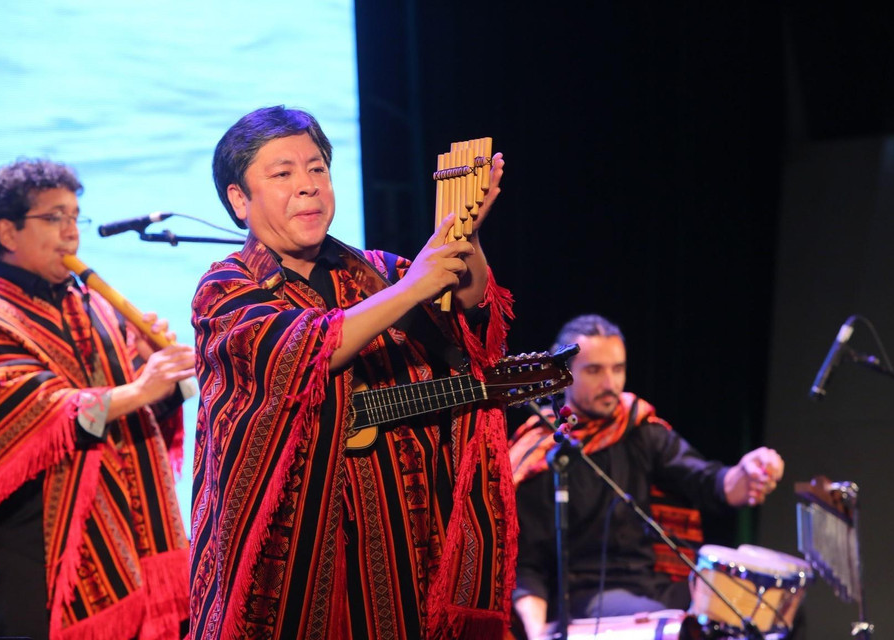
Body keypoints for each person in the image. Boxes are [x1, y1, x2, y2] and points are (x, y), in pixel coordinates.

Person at [189, 106, 517, 639]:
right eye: (283, 173)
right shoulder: (225, 289)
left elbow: (468, 311)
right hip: (289, 556)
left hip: (401, 539)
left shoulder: (378, 272)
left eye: (317, 168)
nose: (308, 187)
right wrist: (412, 288)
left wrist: (466, 236)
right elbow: (300, 351)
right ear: (239, 200)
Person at [0, 159, 195, 639]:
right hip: (28, 541)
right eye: (54, 218)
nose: (71, 233)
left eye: (74, 217)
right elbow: (37, 413)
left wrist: (151, 369)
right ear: (7, 231)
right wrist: (139, 388)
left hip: (124, 525)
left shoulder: (91, 303)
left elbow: (136, 403)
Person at [509, 314, 784, 640]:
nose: (610, 383)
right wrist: (536, 631)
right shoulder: (539, 455)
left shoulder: (637, 425)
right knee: (678, 629)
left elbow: (707, 482)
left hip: (648, 584)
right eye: (595, 370)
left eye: (618, 369)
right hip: (581, 594)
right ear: (562, 375)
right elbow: (527, 565)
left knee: (769, 612)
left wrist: (746, 474)